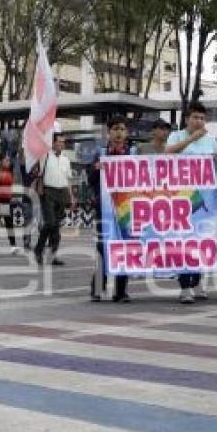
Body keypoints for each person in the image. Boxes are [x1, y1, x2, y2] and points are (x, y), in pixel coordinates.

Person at [166, 101, 217, 304]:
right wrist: (192, 139)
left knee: (201, 240)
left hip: (206, 199)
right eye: (195, 117)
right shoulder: (177, 136)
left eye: (202, 118)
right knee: (183, 241)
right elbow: (168, 154)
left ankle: (198, 282)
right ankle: (184, 287)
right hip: (182, 198)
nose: (199, 121)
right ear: (186, 119)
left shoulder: (211, 139)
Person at [89, 116, 134, 303]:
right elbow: (91, 181)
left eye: (122, 129)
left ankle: (120, 291)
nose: (118, 133)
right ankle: (98, 288)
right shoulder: (100, 154)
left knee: (125, 246)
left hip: (127, 208)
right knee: (102, 247)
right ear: (109, 133)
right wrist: (95, 169)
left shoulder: (133, 154)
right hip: (104, 209)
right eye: (115, 129)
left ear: (126, 133)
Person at [34, 133, 76, 265]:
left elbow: (68, 180)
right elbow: (39, 174)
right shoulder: (44, 156)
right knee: (50, 223)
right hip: (48, 192)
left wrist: (72, 196)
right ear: (52, 143)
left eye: (63, 142)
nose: (62, 144)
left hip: (62, 192)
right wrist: (40, 187)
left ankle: (53, 255)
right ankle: (38, 250)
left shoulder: (66, 160)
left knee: (56, 226)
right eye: (59, 141)